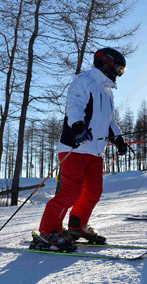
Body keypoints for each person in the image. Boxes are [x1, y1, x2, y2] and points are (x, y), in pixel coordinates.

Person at [32, 47, 129, 252]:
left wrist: (118, 138)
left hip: (95, 151)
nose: (120, 73)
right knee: (71, 191)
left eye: (123, 70)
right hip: (75, 147)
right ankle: (48, 232)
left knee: (93, 191)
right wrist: (77, 126)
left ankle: (76, 226)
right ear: (106, 63)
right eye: (119, 68)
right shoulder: (84, 80)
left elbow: (109, 120)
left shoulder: (108, 91)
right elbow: (74, 105)